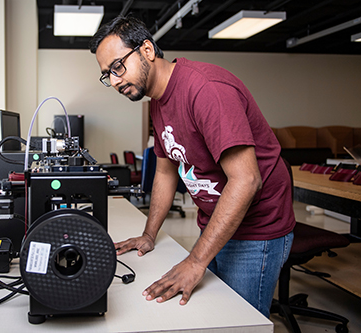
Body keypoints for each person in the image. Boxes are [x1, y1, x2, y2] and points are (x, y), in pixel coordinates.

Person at [89, 16, 295, 318]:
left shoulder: (206, 90)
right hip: (217, 221)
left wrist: (197, 260)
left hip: (257, 228)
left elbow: (247, 180)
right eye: (108, 74)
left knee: (239, 321)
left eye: (117, 67)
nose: (115, 81)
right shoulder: (157, 100)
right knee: (208, 313)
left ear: (147, 49)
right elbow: (165, 170)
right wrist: (149, 234)